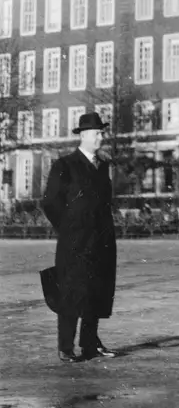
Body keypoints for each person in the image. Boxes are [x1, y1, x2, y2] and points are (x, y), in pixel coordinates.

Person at [41, 112, 118, 363]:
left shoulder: (103, 165)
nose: (101, 137)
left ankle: (89, 345)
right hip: (74, 242)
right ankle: (65, 347)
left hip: (101, 241)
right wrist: (69, 228)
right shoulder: (64, 165)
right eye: (97, 133)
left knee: (96, 292)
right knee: (71, 293)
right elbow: (50, 202)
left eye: (101, 132)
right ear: (84, 136)